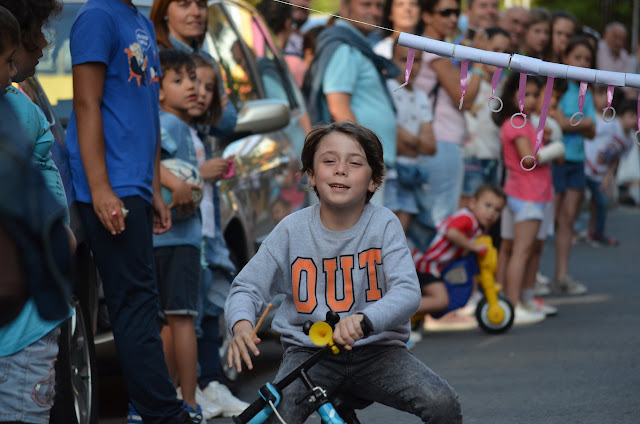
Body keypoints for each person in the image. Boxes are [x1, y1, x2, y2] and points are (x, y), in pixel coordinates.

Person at [225, 121, 462, 423]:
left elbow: (407, 292)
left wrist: (366, 320)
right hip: (308, 353)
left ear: (374, 180)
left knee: (441, 402)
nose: (340, 170)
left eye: (354, 163)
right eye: (328, 161)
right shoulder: (290, 230)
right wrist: (242, 326)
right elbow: (247, 287)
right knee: (276, 416)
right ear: (311, 175)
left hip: (378, 350)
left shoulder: (384, 224)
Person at [64, 0, 195, 422]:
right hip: (109, 184)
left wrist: (154, 187)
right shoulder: (96, 16)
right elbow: (85, 103)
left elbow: (148, 111)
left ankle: (156, 407)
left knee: (143, 299)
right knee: (134, 302)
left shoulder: (137, 19)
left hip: (136, 184)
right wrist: (100, 187)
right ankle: (161, 412)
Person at [0, 3, 74, 423]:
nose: (12, 73)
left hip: (27, 316)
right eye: (7, 60)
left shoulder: (17, 108)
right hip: (22, 311)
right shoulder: (15, 112)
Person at [187, 52, 250, 420]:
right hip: (187, 235)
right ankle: (189, 387)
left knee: (211, 305)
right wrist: (199, 172)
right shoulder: (170, 127)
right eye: (191, 83)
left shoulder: (200, 129)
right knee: (187, 314)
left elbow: (227, 118)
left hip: (208, 232)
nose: (200, 93)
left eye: (210, 87)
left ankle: (209, 382)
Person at [153, 49, 206, 421]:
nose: (191, 86)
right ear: (156, 89)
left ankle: (177, 400)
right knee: (179, 320)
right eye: (178, 80)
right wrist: (175, 183)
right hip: (174, 236)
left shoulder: (182, 125)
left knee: (170, 321)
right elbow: (148, 158)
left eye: (194, 79)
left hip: (175, 236)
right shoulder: (166, 123)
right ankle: (186, 402)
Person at [304, 0, 399, 206]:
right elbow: (338, 106)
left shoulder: (357, 45)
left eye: (379, 6)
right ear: (345, 8)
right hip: (357, 167)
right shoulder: (344, 48)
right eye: (366, 4)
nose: (374, 12)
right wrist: (363, 159)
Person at [491, 74, 554, 324]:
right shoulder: (516, 123)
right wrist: (553, 149)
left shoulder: (523, 122)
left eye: (535, 95)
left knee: (520, 250)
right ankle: (514, 305)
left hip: (526, 192)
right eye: (525, 94)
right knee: (521, 251)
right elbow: (529, 159)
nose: (530, 100)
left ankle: (518, 301)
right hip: (527, 194)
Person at [413, 0, 481, 227]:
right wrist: (482, 63)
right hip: (440, 142)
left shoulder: (434, 47)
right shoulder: (434, 50)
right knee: (439, 221)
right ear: (426, 16)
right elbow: (464, 98)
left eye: (456, 12)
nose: (453, 19)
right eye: (445, 13)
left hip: (437, 141)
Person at [412, 184, 505, 320]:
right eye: (488, 206)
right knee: (440, 300)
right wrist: (473, 246)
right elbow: (452, 232)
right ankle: (399, 313)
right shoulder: (468, 219)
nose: (491, 213)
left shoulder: (476, 225)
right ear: (473, 203)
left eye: (497, 210)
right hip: (424, 264)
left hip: (430, 264)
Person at [549, 36, 596, 296]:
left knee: (567, 221)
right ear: (566, 58)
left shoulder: (583, 91)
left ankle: (562, 275)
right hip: (556, 161)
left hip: (576, 161)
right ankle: (534, 277)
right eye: (577, 57)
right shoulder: (556, 87)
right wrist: (581, 123)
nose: (582, 63)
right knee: (549, 220)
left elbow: (592, 130)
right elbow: (559, 121)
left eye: (587, 59)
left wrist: (571, 123)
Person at [150, 0, 237, 139]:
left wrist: (181, 105)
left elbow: (228, 121)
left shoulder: (207, 59)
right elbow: (151, 117)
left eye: (201, 5)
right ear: (164, 11)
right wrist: (210, 106)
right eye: (184, 5)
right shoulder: (154, 57)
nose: (196, 13)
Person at [386, 44, 436, 232]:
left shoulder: (421, 96)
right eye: (403, 60)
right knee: (383, 235)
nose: (411, 67)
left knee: (400, 240)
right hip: (388, 173)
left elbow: (431, 147)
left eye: (417, 60)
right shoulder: (386, 88)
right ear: (392, 60)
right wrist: (416, 142)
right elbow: (389, 141)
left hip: (411, 175)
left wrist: (408, 139)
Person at [460, 26, 510, 209]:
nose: (501, 56)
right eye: (496, 50)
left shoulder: (505, 87)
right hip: (472, 156)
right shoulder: (470, 79)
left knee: (487, 214)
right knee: (468, 209)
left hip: (494, 157)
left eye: (506, 52)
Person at [585, 93, 636, 246]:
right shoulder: (610, 124)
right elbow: (590, 133)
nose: (633, 121)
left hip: (599, 174)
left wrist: (608, 179)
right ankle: (568, 229)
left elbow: (616, 160)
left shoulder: (629, 141)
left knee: (601, 202)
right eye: (631, 116)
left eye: (637, 118)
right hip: (585, 165)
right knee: (576, 200)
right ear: (622, 114)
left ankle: (596, 233)